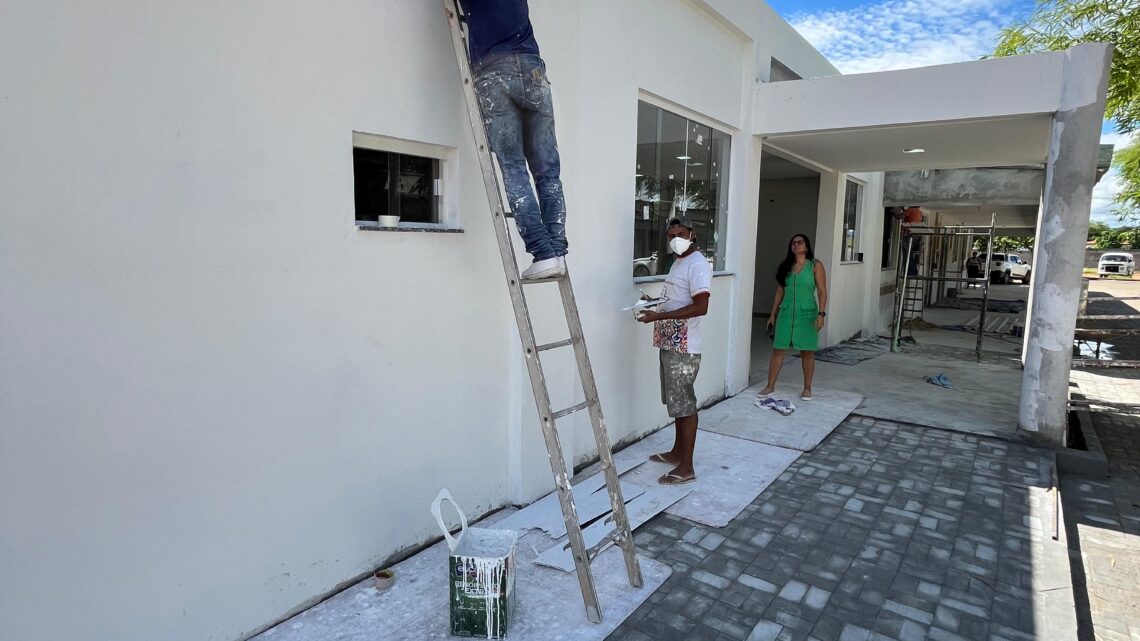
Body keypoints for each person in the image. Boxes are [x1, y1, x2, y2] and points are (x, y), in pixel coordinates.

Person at [458, 0, 567, 280]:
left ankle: (543, 253)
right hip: (534, 70)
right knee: (548, 173)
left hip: (495, 72)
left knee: (514, 168)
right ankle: (555, 253)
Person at [636, 217, 711, 485]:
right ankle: (678, 451)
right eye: (671, 235)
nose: (675, 238)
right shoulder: (679, 262)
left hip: (684, 346)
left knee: (685, 403)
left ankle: (687, 466)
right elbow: (678, 299)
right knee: (676, 403)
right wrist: (656, 305)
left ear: (692, 233)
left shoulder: (698, 264)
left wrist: (657, 318)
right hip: (670, 342)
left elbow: (701, 306)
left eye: (680, 233)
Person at [758, 234, 829, 401]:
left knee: (807, 352)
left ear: (806, 246)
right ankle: (770, 386)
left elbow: (822, 291)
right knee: (778, 349)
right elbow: (780, 291)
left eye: (800, 242)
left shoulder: (815, 266)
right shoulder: (786, 267)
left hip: (807, 314)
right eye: (793, 243)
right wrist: (773, 313)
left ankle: (807, 388)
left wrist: (821, 314)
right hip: (786, 312)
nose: (796, 245)